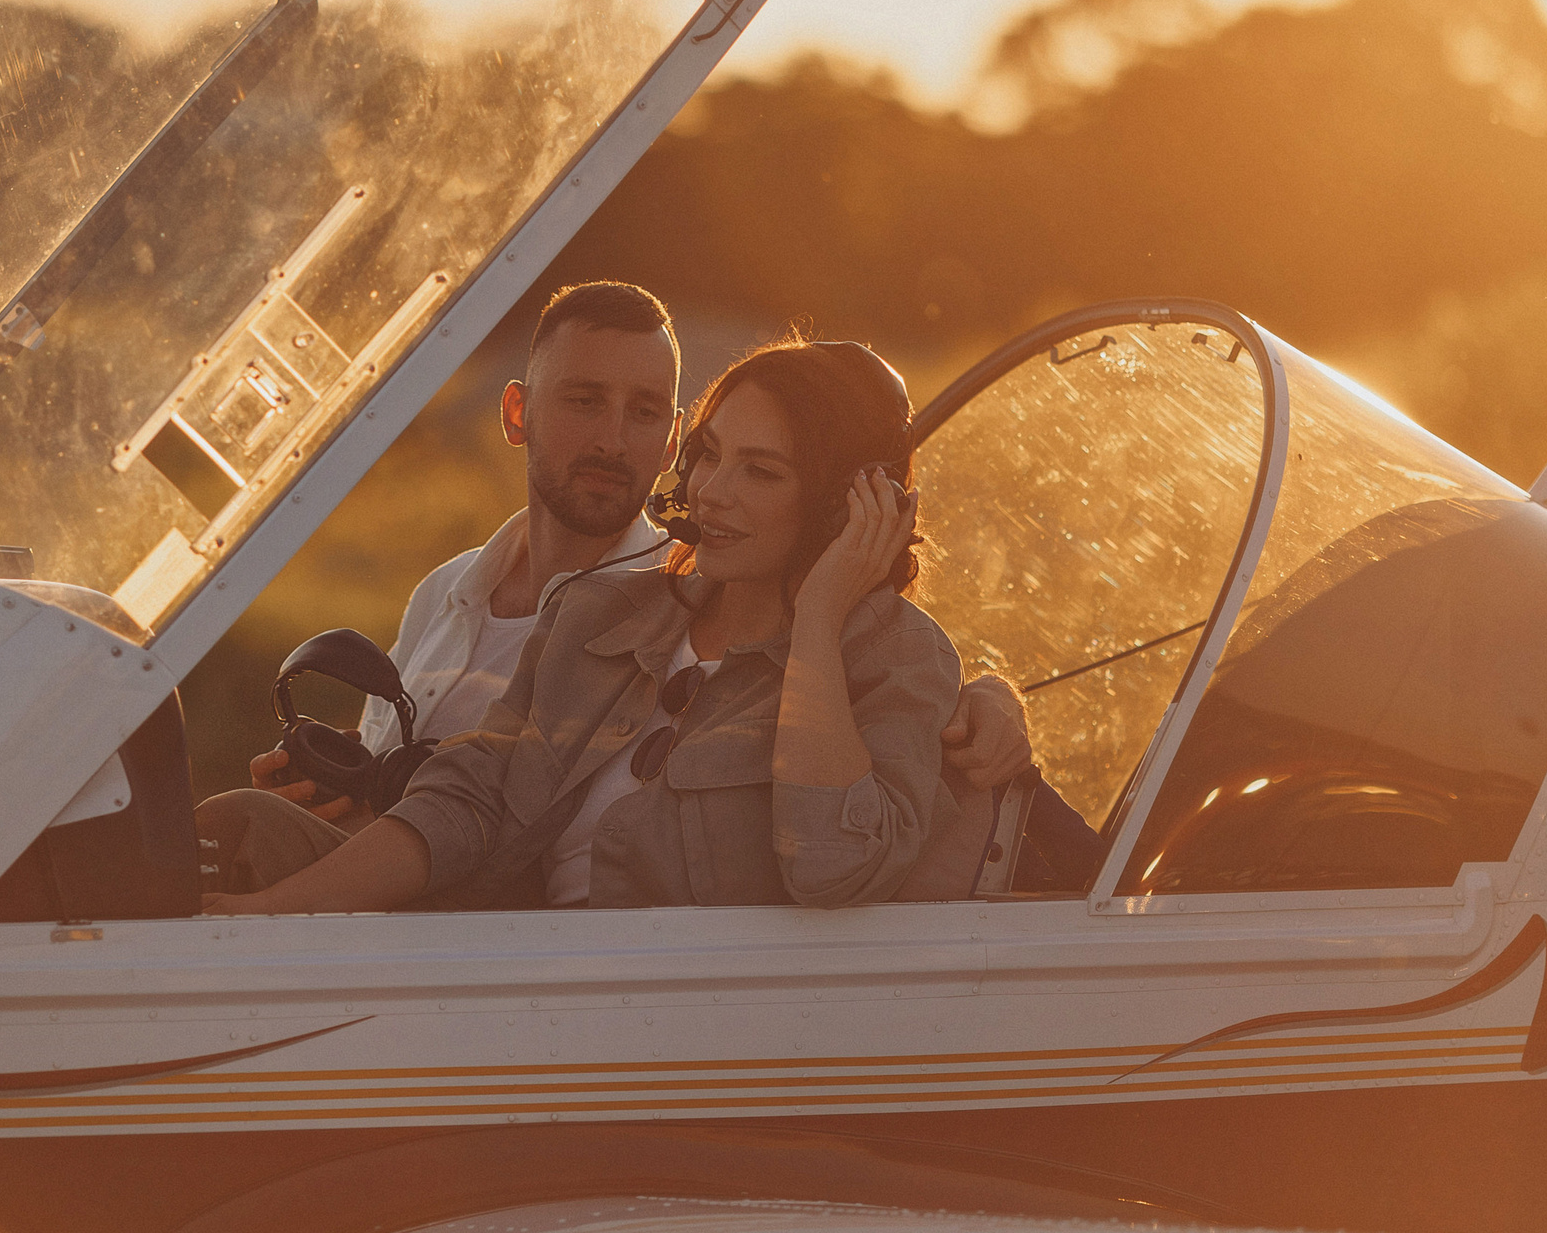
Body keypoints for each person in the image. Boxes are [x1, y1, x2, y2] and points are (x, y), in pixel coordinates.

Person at [202, 319, 1020, 910]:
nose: (711, 491)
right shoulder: (600, 611)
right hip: (504, 962)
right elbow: (471, 800)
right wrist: (260, 917)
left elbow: (833, 866)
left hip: (664, 1028)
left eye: (762, 471)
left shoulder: (897, 660)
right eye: (710, 455)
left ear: (845, 506)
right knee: (232, 830)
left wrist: (816, 620)